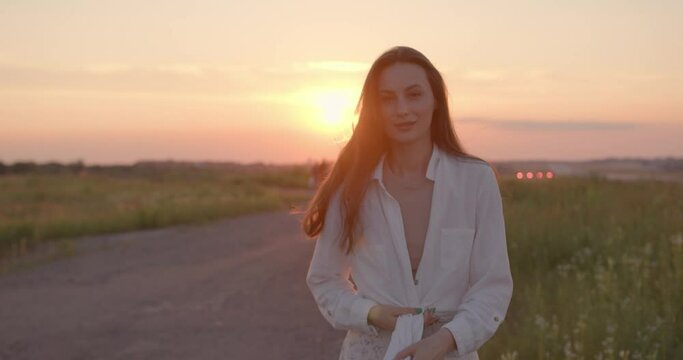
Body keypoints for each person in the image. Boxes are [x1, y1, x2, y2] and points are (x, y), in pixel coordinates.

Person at [302, 46, 513, 360]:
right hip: (369, 351)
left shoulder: (475, 180)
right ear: (375, 109)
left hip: (449, 353)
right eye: (387, 98)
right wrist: (371, 312)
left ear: (435, 100)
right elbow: (324, 279)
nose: (401, 109)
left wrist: (445, 340)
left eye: (414, 94)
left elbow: (492, 286)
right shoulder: (351, 187)